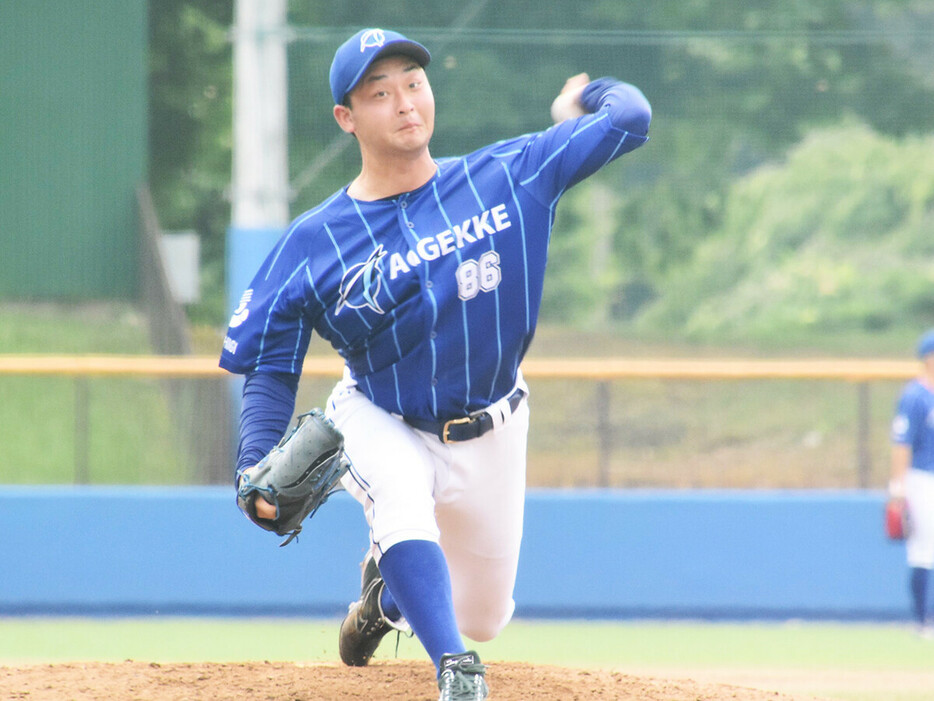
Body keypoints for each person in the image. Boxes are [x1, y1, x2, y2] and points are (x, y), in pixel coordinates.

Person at [220, 27, 651, 700]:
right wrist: (253, 461)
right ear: (347, 117)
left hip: (496, 424)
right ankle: (455, 666)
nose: (404, 102)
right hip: (381, 413)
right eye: (379, 92)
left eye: (414, 84)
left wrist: (580, 101)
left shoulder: (509, 176)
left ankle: (386, 602)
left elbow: (630, 117)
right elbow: (271, 367)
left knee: (485, 612)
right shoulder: (313, 241)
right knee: (400, 502)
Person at [890, 329, 934, 638]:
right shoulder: (915, 396)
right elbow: (901, 444)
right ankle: (922, 621)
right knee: (923, 550)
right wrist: (898, 488)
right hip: (922, 479)